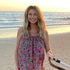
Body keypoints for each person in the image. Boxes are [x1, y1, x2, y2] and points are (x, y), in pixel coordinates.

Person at [15, 5, 53, 70]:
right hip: (23, 67)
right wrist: (16, 66)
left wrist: (49, 54)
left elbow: (48, 49)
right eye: (30, 14)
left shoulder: (43, 32)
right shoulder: (21, 30)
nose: (32, 17)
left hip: (38, 67)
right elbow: (16, 50)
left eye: (35, 14)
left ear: (38, 16)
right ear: (26, 16)